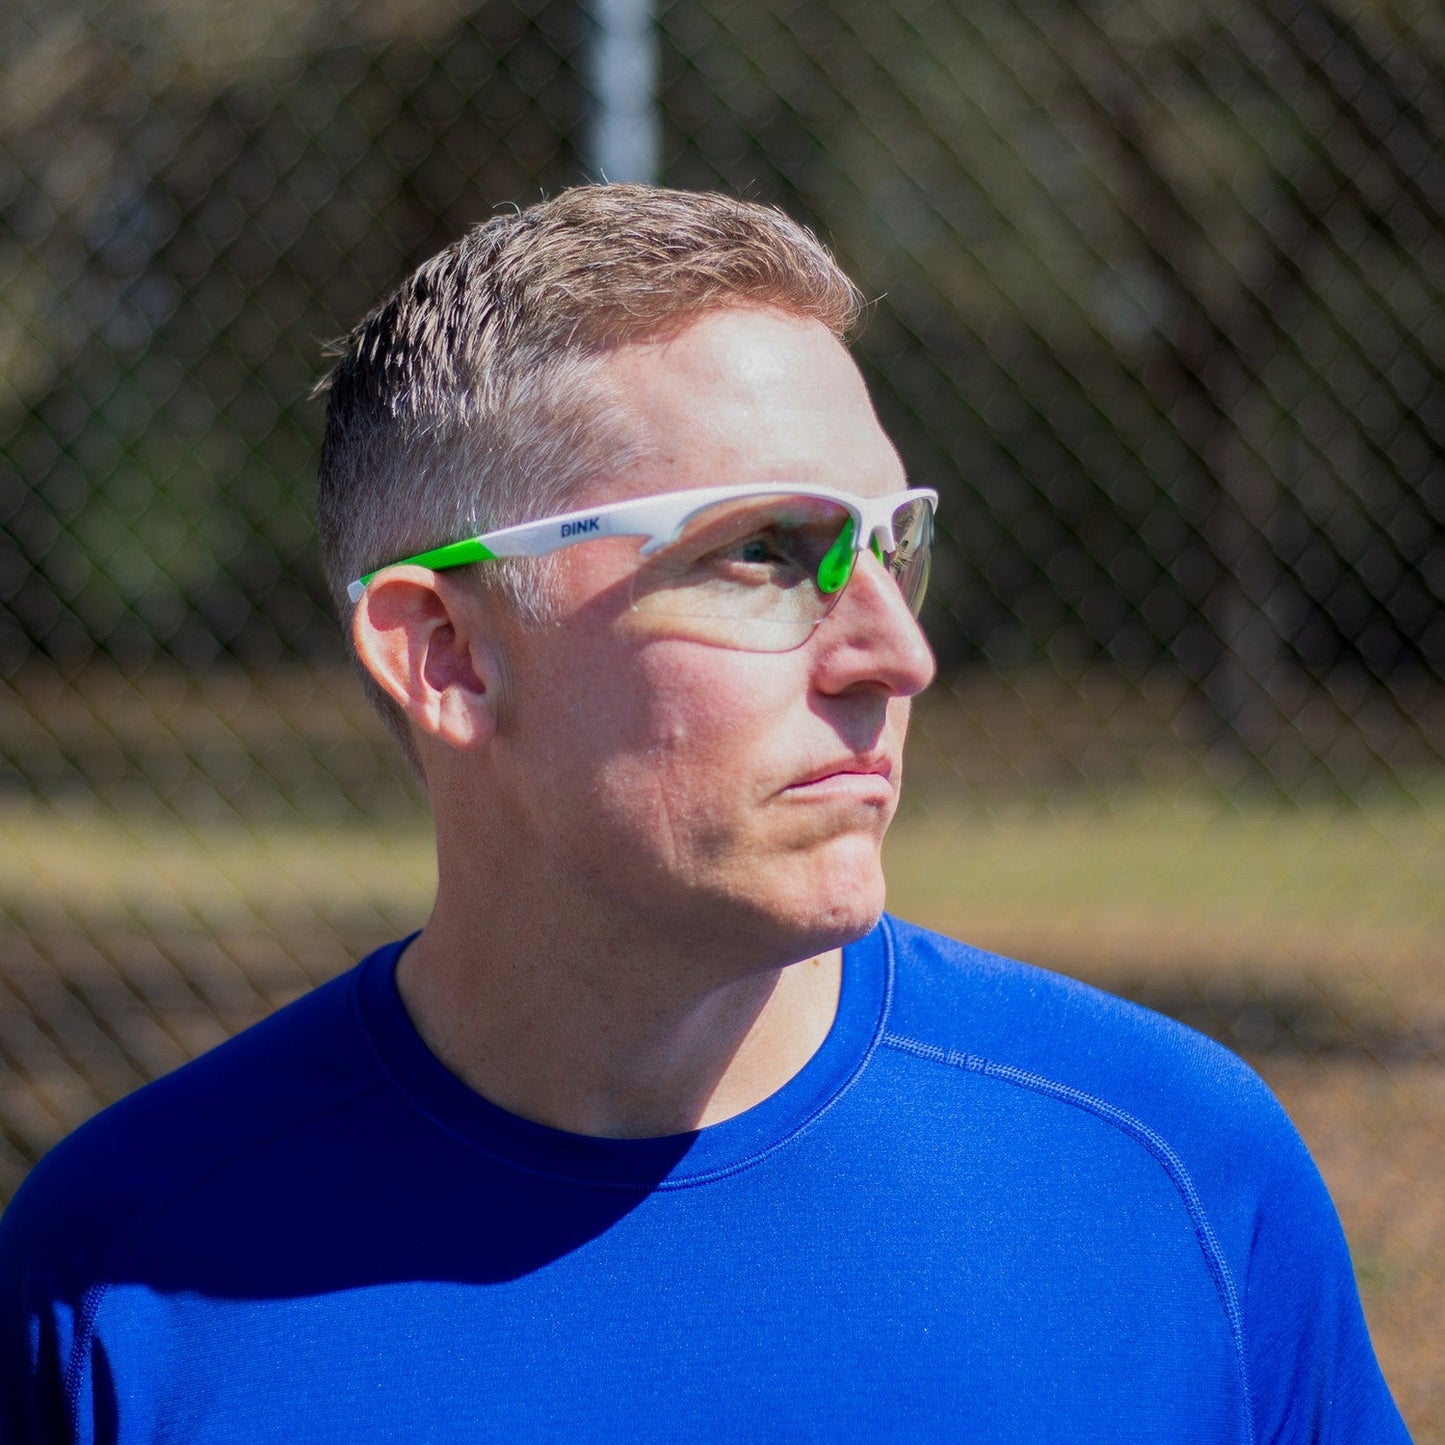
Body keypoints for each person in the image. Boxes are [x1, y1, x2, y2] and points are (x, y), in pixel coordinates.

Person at [0, 185, 1408, 1443]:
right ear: (447, 653)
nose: (895, 655)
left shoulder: (1169, 1177)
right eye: (761, 553)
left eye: (890, 545)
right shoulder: (123, 1276)